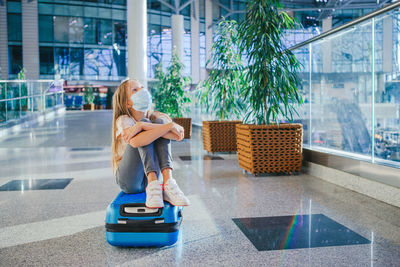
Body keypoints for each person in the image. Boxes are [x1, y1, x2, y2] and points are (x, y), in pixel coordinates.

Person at [111, 78, 190, 208]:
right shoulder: (123, 120)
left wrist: (143, 125)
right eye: (135, 90)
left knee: (157, 123)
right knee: (149, 128)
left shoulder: (156, 117)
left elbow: (177, 135)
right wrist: (165, 126)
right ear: (127, 103)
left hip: (145, 180)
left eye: (142, 88)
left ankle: (168, 182)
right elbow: (136, 142)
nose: (142, 91)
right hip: (129, 181)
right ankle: (153, 183)